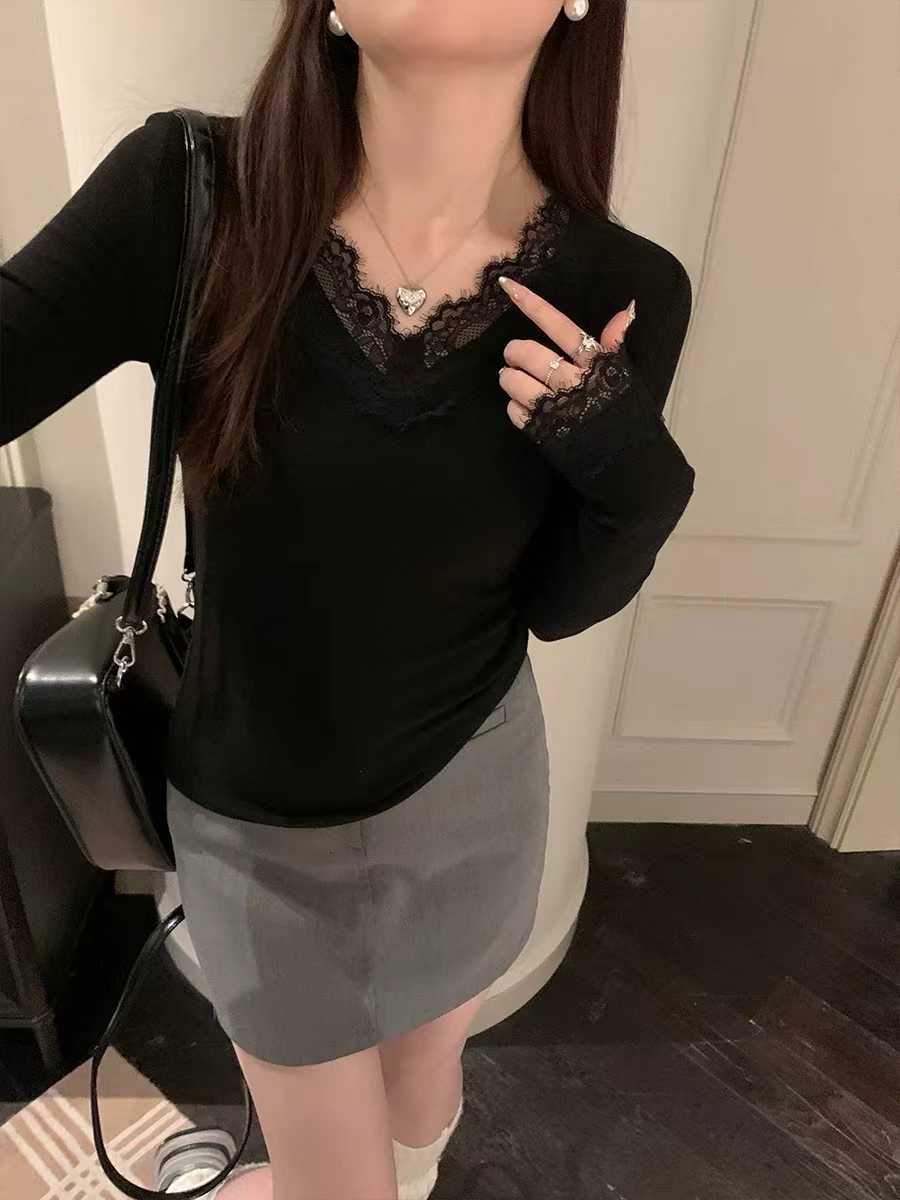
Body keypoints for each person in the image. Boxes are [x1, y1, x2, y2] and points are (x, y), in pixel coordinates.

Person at [1, 2, 697, 1197]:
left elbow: (557, 604)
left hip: (472, 793)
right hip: (256, 829)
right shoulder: (189, 195)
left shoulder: (622, 285)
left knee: (423, 1097)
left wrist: (637, 479)